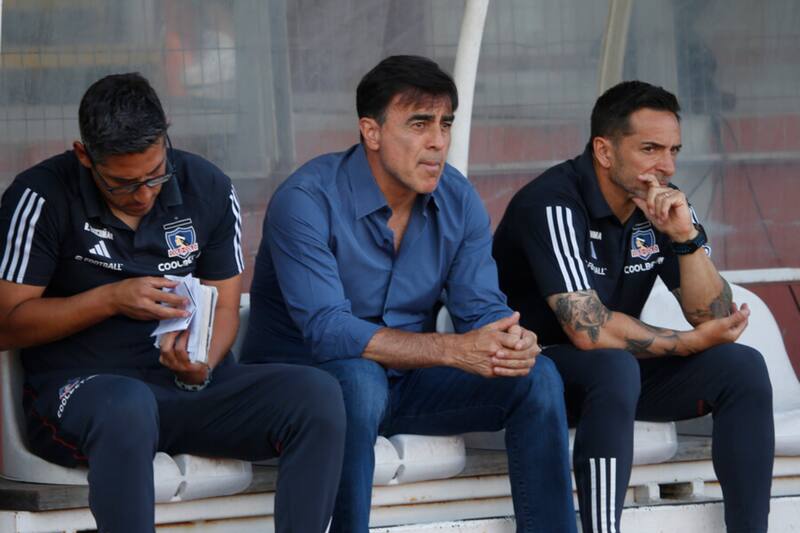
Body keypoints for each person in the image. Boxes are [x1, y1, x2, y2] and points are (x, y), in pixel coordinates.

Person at [241, 55, 577, 533]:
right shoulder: (307, 199)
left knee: (537, 377)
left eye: (445, 124)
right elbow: (328, 332)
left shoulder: (456, 199)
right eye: (419, 124)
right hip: (302, 388)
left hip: (404, 384)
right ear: (371, 132)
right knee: (358, 380)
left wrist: (509, 339)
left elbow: (480, 308)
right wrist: (453, 350)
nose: (438, 142)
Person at [0, 73, 345, 533]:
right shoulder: (40, 196)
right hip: (87, 394)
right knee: (127, 404)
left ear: (166, 139)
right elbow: (7, 323)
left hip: (187, 389)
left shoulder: (208, 186)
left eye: (155, 175)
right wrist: (110, 299)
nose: (143, 194)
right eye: (122, 184)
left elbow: (225, 303)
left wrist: (201, 363)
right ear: (84, 156)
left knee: (316, 395)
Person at [493, 80, 774, 533]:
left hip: (611, 376)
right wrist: (687, 343)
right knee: (612, 366)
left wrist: (685, 239)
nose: (665, 166)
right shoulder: (553, 202)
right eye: (650, 149)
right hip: (535, 370)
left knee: (741, 367)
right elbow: (589, 331)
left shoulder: (665, 204)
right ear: (604, 151)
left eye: (674, 151)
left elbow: (717, 318)